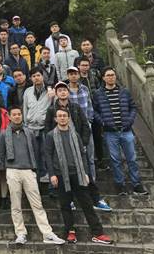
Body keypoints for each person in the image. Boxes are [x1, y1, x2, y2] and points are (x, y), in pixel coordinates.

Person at [45, 108, 113, 245]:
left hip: (78, 173)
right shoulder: (51, 135)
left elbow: (82, 154)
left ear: (69, 118)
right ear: (55, 119)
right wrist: (52, 174)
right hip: (61, 175)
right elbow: (48, 155)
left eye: (64, 115)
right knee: (65, 205)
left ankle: (98, 233)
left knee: (87, 204)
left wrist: (85, 172)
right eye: (59, 116)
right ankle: (70, 231)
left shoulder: (75, 134)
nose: (62, 118)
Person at [0, 107, 65, 245]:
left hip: (28, 170)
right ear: (9, 117)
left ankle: (47, 233)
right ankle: (20, 233)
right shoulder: (4, 135)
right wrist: (8, 168)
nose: (17, 116)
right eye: (14, 114)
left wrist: (34, 169)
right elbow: (1, 154)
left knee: (37, 204)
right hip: (12, 170)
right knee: (15, 205)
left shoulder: (29, 133)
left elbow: (35, 152)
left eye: (19, 114)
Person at [47, 82, 110, 210]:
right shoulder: (52, 110)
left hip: (77, 145)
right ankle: (69, 200)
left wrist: (83, 142)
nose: (63, 92)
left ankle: (96, 199)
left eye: (65, 90)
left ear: (68, 92)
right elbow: (48, 128)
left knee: (86, 173)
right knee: (64, 175)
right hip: (61, 146)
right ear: (56, 93)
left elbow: (85, 125)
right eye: (60, 90)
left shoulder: (75, 107)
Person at [92, 67, 148, 196]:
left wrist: (129, 121)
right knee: (115, 160)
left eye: (113, 75)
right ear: (103, 78)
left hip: (126, 130)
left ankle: (136, 184)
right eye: (108, 75)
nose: (111, 77)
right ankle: (120, 185)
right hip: (110, 132)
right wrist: (103, 122)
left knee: (132, 158)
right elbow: (94, 111)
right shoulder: (98, 94)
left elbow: (133, 107)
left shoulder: (124, 92)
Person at [23, 68, 54, 183]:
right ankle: (37, 176)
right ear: (31, 79)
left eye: (38, 75)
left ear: (42, 76)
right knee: (34, 153)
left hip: (45, 127)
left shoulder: (50, 91)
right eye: (34, 76)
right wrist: (25, 124)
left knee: (45, 152)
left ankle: (48, 175)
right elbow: (25, 108)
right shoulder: (27, 91)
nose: (36, 78)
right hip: (31, 127)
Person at [77, 58, 106, 170]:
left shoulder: (93, 76)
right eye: (83, 65)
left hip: (95, 109)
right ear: (78, 66)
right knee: (86, 137)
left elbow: (100, 90)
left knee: (98, 136)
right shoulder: (77, 79)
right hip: (83, 111)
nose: (85, 67)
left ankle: (100, 160)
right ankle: (88, 162)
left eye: (86, 65)